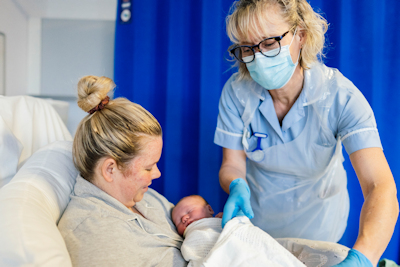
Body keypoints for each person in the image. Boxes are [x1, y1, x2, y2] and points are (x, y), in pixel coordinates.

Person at [214, 1, 399, 266]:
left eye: (269, 43)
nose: (258, 57)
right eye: (247, 48)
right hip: (259, 231)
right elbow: (232, 163)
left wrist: (363, 258)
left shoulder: (340, 97)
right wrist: (236, 185)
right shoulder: (236, 93)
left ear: (300, 35)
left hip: (321, 232)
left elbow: (379, 186)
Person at [58, 76, 187, 267]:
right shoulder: (96, 237)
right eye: (148, 167)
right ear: (110, 169)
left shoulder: (144, 197)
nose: (157, 174)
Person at [172, 195, 348, 267]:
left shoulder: (224, 220)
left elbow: (248, 236)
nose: (185, 219)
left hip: (319, 206)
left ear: (210, 209)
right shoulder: (193, 234)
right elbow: (192, 250)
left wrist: (232, 223)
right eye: (179, 220)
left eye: (188, 212)